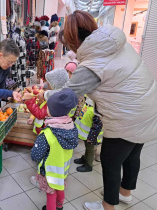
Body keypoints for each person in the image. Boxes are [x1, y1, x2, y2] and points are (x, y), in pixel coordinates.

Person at [61, 10, 157, 210]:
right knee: (132, 154)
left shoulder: (91, 65)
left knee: (110, 160)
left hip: (128, 116)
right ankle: (125, 193)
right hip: (148, 107)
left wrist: (42, 95)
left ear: (73, 41)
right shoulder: (113, 41)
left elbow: (66, 95)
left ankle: (108, 205)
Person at [31, 89, 79, 210]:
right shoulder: (71, 127)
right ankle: (60, 205)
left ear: (51, 112)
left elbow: (36, 155)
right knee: (60, 186)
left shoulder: (47, 134)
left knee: (50, 193)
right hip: (63, 169)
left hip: (49, 171)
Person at [23, 68, 69, 134]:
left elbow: (40, 114)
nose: (47, 83)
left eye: (49, 82)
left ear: (55, 85)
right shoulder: (62, 96)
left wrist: (29, 100)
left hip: (46, 131)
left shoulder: (54, 101)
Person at [74, 97, 103, 172]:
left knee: (90, 149)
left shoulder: (97, 110)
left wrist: (92, 137)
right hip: (86, 134)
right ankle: (85, 158)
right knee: (87, 147)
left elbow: (97, 126)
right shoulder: (88, 104)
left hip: (91, 136)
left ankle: (89, 165)